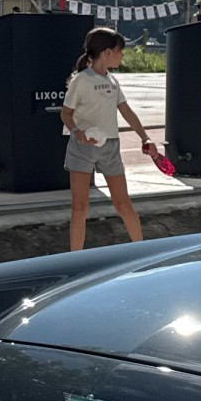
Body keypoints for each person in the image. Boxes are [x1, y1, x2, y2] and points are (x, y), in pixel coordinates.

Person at [62, 26, 153, 251]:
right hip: (82, 148)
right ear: (107, 52)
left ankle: (141, 253)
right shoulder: (80, 81)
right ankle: (75, 259)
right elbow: (65, 113)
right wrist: (77, 133)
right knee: (80, 208)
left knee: (123, 204)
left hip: (110, 146)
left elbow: (126, 111)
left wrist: (145, 137)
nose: (123, 55)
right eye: (120, 50)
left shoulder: (113, 81)